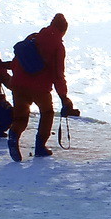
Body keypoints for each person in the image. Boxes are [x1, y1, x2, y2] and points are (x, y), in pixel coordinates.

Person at [9, 14, 74, 161]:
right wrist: (64, 97)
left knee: (20, 116)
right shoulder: (58, 46)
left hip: (19, 83)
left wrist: (15, 79)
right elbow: (58, 75)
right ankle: (40, 147)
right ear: (63, 30)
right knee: (47, 113)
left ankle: (13, 136)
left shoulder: (33, 37)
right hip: (40, 88)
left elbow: (16, 61)